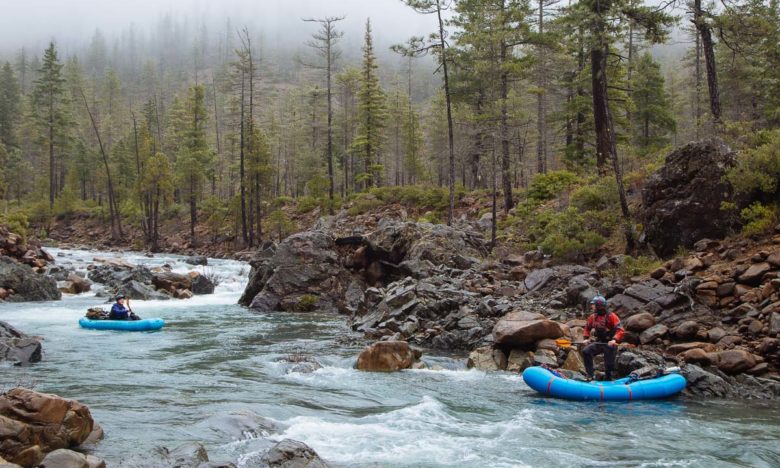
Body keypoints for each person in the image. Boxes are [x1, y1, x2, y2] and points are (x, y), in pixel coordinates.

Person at [582, 295, 624, 381]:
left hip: (610, 343)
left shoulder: (611, 316)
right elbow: (587, 328)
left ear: (599, 306)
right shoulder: (593, 317)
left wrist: (614, 340)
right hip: (599, 342)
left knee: (609, 364)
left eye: (593, 305)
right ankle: (590, 375)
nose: (592, 306)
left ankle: (609, 378)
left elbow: (620, 330)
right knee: (586, 351)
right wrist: (586, 338)